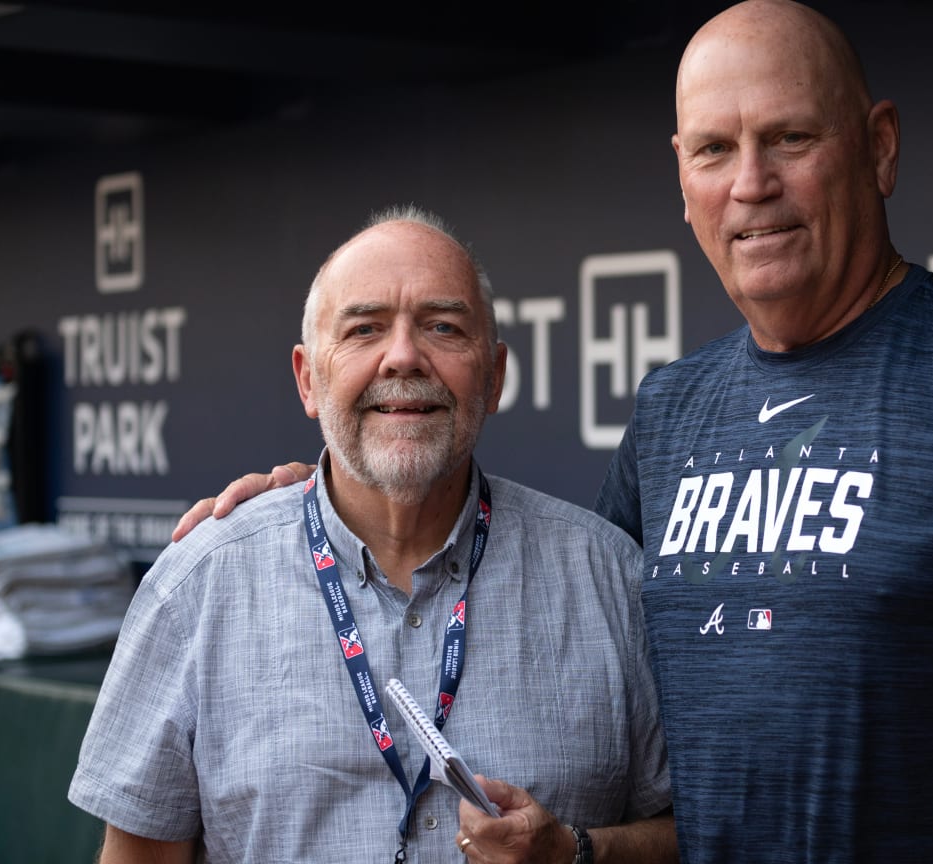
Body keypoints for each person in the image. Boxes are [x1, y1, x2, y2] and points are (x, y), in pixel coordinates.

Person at [175, 2, 933, 861]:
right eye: (716, 149)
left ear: (878, 147)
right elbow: (552, 616)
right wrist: (325, 499)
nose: (752, 183)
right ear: (683, 177)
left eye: (791, 138)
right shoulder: (673, 411)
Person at [73, 206, 675, 864]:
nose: (403, 356)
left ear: (495, 374)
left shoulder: (609, 578)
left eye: (443, 327)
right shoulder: (197, 587)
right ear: (308, 378)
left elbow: (701, 835)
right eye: (364, 329)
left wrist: (576, 853)